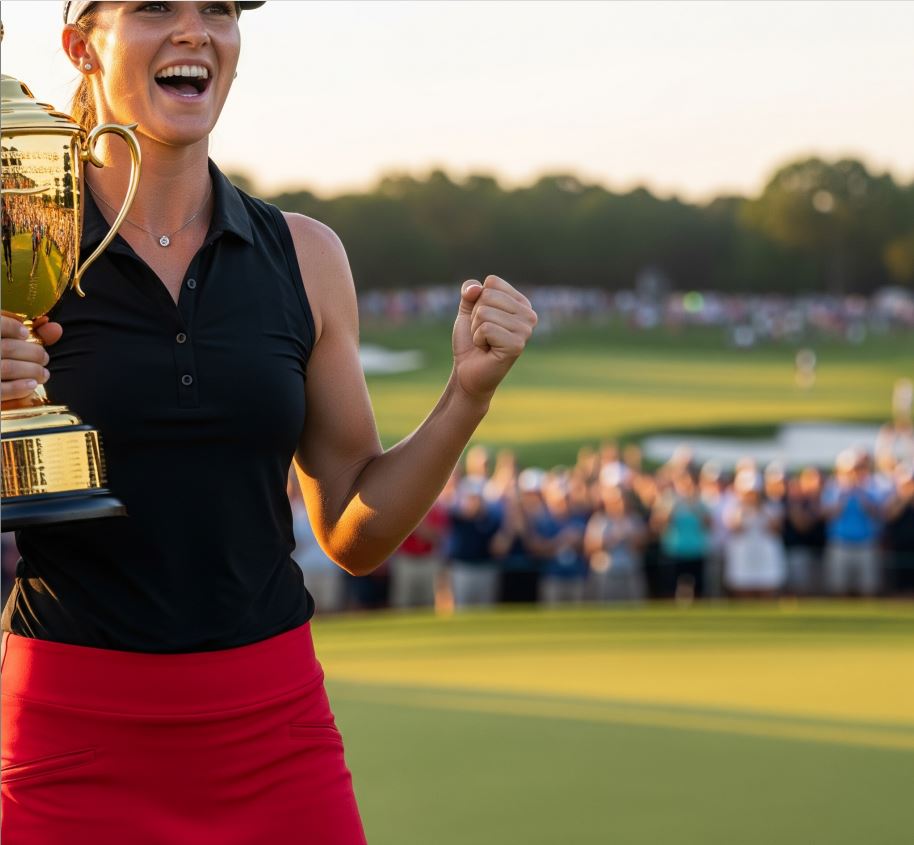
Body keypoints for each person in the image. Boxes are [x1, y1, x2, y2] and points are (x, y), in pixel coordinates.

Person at [0, 3, 537, 842]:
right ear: (82, 47)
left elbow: (353, 531)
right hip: (70, 733)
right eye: (154, 8)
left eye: (217, 9)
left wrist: (465, 397)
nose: (195, 30)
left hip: (272, 727)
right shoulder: (17, 245)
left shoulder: (306, 255)